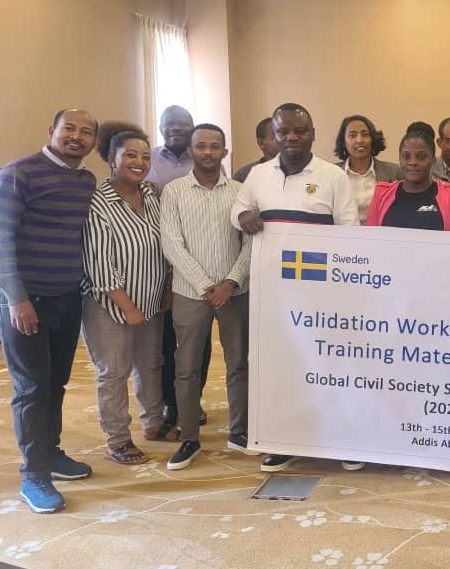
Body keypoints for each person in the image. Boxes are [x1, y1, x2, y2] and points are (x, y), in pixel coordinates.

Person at [231, 103, 360, 473]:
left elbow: (349, 230)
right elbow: (236, 209)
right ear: (273, 135)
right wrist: (244, 215)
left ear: (313, 134)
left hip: (321, 293)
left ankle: (341, 440)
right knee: (281, 367)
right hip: (272, 293)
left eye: (299, 131)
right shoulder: (258, 175)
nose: (291, 137)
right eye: (283, 131)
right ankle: (284, 441)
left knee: (329, 364)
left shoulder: (332, 176)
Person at [0, 109, 99, 513]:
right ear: (52, 131)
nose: (77, 136)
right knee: (31, 387)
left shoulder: (85, 181)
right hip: (23, 301)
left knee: (56, 382)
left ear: (93, 142)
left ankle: (51, 452)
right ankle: (34, 476)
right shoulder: (16, 175)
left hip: (66, 297)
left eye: (86, 132)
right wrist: (17, 299)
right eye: (70, 128)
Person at [160, 124, 254, 471]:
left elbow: (251, 242)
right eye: (201, 146)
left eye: (216, 146)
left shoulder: (241, 192)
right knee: (186, 367)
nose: (208, 152)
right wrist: (205, 285)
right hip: (190, 293)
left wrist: (230, 282)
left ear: (225, 152)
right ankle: (189, 438)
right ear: (191, 151)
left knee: (239, 363)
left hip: (236, 292)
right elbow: (171, 244)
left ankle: (240, 431)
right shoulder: (174, 192)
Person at [81, 125, 173, 468]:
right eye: (130, 155)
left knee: (150, 364)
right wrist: (127, 306)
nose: (139, 162)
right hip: (109, 304)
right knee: (114, 371)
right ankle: (117, 439)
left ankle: (153, 422)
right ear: (111, 159)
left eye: (145, 156)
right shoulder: (97, 202)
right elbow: (98, 262)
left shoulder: (151, 195)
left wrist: (165, 287)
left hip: (151, 300)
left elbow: (163, 246)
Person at [145, 105, 212, 430]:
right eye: (169, 123)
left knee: (196, 338)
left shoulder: (203, 160)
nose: (175, 128)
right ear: (161, 127)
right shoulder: (146, 159)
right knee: (160, 341)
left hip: (194, 263)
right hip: (152, 261)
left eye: (183, 124)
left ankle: (191, 400)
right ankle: (168, 403)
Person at [366, 128, 450, 231]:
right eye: (406, 156)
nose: (413, 162)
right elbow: (370, 238)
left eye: (421, 157)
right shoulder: (382, 193)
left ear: (433, 160)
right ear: (400, 159)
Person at [333, 115, 399, 225]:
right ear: (343, 142)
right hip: (343, 234)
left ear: (373, 139)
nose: (359, 140)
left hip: (382, 234)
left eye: (365, 134)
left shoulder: (393, 172)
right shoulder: (333, 173)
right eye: (352, 135)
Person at [233, 117, 280, 183]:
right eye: (277, 136)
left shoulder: (294, 171)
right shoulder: (244, 176)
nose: (285, 140)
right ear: (261, 143)